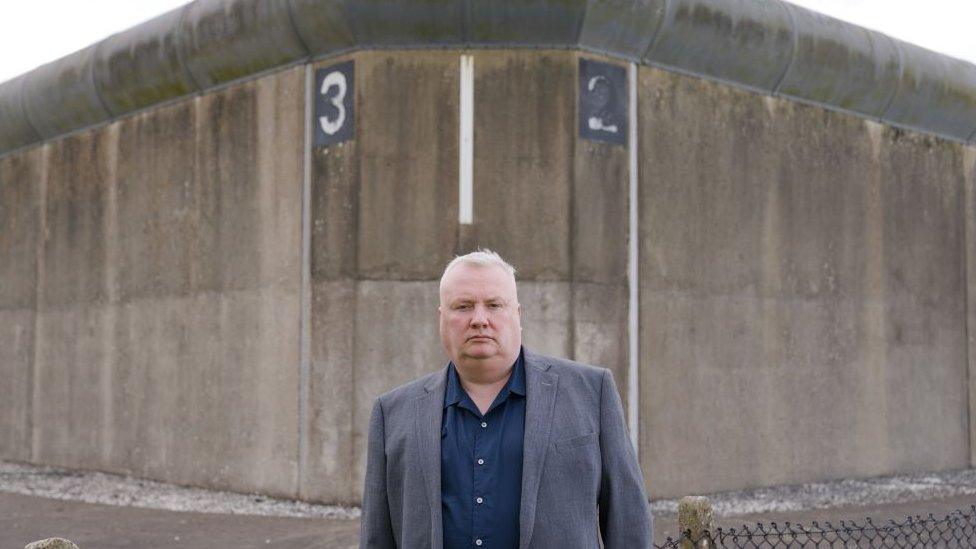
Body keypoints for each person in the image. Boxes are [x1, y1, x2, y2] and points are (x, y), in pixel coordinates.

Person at [360, 250, 652, 548]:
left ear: (518, 315)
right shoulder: (392, 414)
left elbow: (628, 520)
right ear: (441, 318)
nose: (479, 319)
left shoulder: (591, 392)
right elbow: (377, 537)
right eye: (463, 306)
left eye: (494, 305)